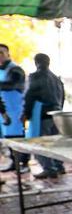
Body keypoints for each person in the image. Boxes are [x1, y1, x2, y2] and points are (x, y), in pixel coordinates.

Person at [22, 53, 65, 179]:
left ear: (36, 62)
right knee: (55, 143)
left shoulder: (35, 76)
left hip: (42, 114)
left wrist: (26, 113)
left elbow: (29, 96)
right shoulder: (56, 78)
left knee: (40, 142)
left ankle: (49, 169)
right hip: (56, 113)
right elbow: (63, 97)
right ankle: (59, 166)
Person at [0, 44, 29, 174]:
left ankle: (24, 163)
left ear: (8, 54)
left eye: (1, 53)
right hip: (4, 111)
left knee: (19, 138)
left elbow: (13, 85)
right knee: (8, 138)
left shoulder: (15, 69)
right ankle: (14, 162)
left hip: (16, 109)